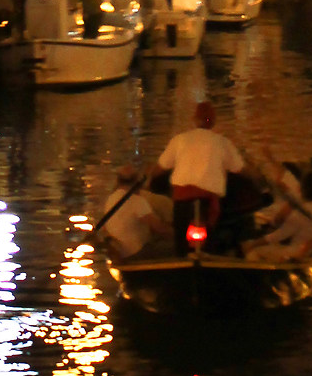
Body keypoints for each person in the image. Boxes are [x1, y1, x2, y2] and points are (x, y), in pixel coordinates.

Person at [156, 100, 246, 252]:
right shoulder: (223, 142)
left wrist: (148, 179)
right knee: (211, 239)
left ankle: (181, 257)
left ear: (194, 120)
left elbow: (161, 167)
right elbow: (239, 169)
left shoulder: (179, 140)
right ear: (214, 121)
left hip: (182, 200)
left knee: (181, 241)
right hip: (208, 201)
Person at [98, 166, 162, 260]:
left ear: (118, 181)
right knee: (168, 246)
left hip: (118, 252)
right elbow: (159, 228)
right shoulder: (138, 201)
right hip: (135, 253)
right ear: (138, 182)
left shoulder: (111, 199)